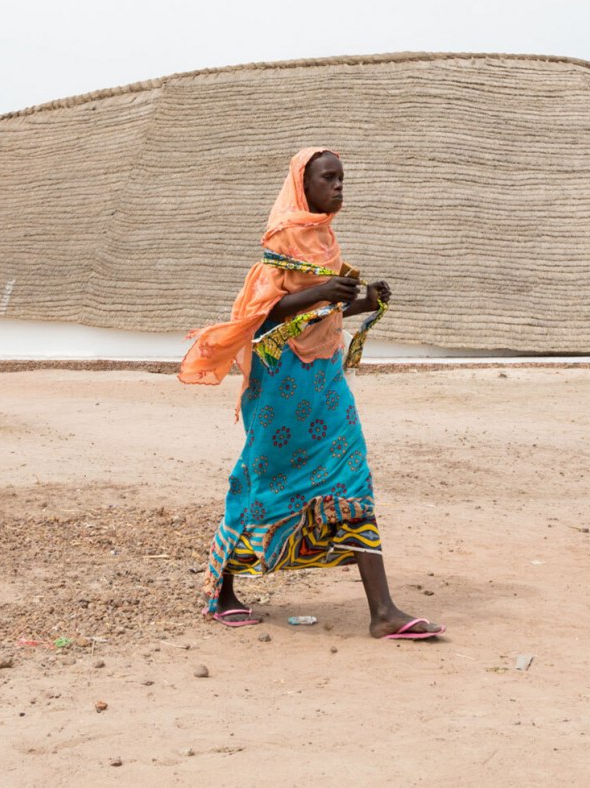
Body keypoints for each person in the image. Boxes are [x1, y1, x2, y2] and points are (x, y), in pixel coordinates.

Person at [180, 148, 444, 640]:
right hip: (280, 381)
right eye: (329, 178)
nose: (339, 186)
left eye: (343, 178)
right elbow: (266, 312)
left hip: (324, 378)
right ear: (304, 184)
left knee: (352, 475)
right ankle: (221, 590)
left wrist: (365, 300)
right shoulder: (281, 238)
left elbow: (325, 313)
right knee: (264, 482)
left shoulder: (325, 238)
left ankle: (383, 611)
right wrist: (324, 290)